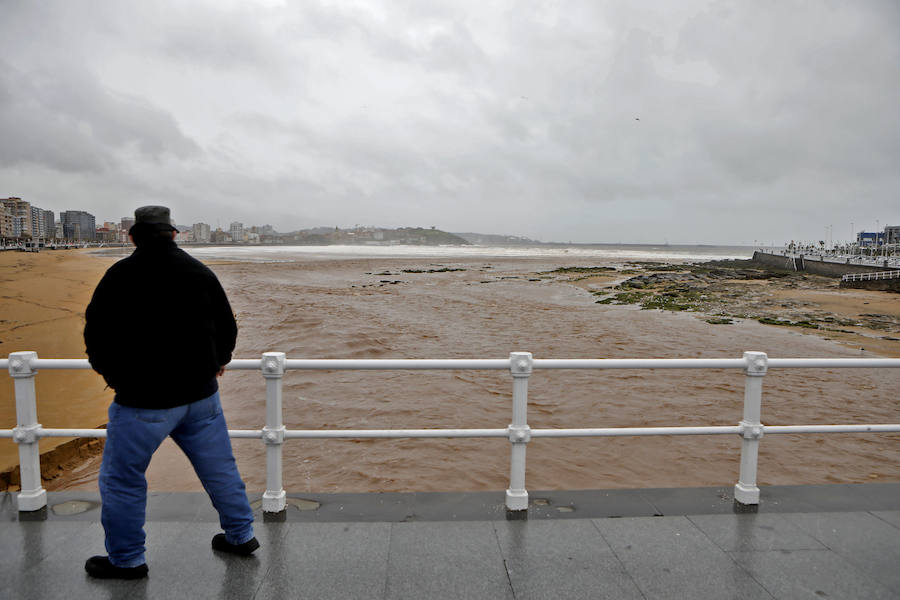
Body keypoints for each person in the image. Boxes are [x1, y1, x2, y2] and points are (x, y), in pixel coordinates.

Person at [83, 205, 257, 579]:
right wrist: (218, 361)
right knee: (220, 469)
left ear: (133, 236)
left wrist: (114, 376)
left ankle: (126, 560)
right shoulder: (200, 272)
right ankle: (241, 536)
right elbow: (228, 324)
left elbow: (95, 334)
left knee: (122, 480)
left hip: (142, 401)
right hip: (200, 397)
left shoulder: (120, 275)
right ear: (173, 234)